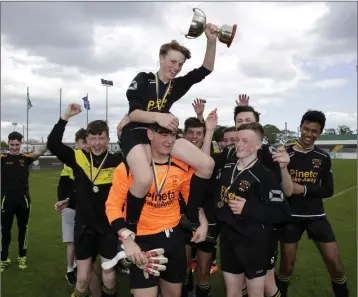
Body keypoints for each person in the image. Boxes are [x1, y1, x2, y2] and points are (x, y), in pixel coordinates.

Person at [121, 29, 218, 236]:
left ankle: (190, 216)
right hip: (137, 131)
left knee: (207, 164)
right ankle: (128, 230)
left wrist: (211, 41)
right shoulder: (144, 78)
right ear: (161, 58)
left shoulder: (177, 85)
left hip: (163, 133)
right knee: (145, 179)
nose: (177, 68)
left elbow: (206, 69)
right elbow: (134, 113)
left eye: (181, 64)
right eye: (173, 62)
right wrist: (159, 116)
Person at [201, 100, 293, 297]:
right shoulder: (228, 167)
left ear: (259, 145)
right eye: (238, 140)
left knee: (255, 292)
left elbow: (282, 212)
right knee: (232, 292)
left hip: (254, 243)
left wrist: (248, 208)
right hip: (228, 240)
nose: (239, 145)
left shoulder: (265, 174)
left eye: (246, 141)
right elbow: (219, 196)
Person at [106, 123, 208, 297]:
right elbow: (113, 205)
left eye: (173, 135)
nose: (169, 141)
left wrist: (203, 222)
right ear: (150, 134)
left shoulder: (182, 165)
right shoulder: (129, 167)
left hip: (174, 239)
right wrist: (127, 239)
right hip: (142, 240)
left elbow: (192, 200)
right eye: (163, 135)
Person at [47, 103, 123, 297]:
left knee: (109, 277)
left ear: (108, 139)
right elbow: (53, 143)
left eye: (101, 138)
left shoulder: (117, 161)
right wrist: (65, 116)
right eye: (93, 138)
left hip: (107, 227)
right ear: (87, 139)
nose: (97, 143)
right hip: (84, 227)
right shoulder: (78, 157)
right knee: (82, 279)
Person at [276, 110, 349, 297]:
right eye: (306, 129)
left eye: (314, 131)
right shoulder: (286, 152)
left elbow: (328, 190)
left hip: (316, 216)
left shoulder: (323, 157)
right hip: (290, 216)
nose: (309, 134)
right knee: (286, 266)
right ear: (300, 127)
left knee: (335, 264)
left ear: (320, 132)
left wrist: (304, 189)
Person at [180, 117, 218, 297]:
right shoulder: (176, 156)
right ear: (184, 134)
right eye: (191, 133)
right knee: (183, 268)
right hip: (182, 218)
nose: (194, 137)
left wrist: (209, 130)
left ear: (204, 136)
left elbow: (204, 161)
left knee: (203, 271)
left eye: (199, 133)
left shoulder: (211, 157)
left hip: (208, 217)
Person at [1, 132, 47, 271]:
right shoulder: (2, 158)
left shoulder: (25, 157)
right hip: (6, 201)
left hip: (24, 201)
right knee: (5, 231)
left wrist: (50, 141)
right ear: (8, 143)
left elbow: (40, 151)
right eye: (12, 144)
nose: (14, 147)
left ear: (21, 143)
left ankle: (22, 257)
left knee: (23, 230)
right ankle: (3, 259)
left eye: (17, 144)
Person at [56, 128, 88, 286]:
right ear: (77, 143)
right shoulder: (71, 163)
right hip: (71, 208)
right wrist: (66, 201)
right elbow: (63, 188)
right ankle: (70, 269)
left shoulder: (90, 161)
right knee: (72, 242)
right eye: (83, 142)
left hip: (85, 209)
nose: (86, 145)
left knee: (84, 241)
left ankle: (79, 267)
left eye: (87, 142)